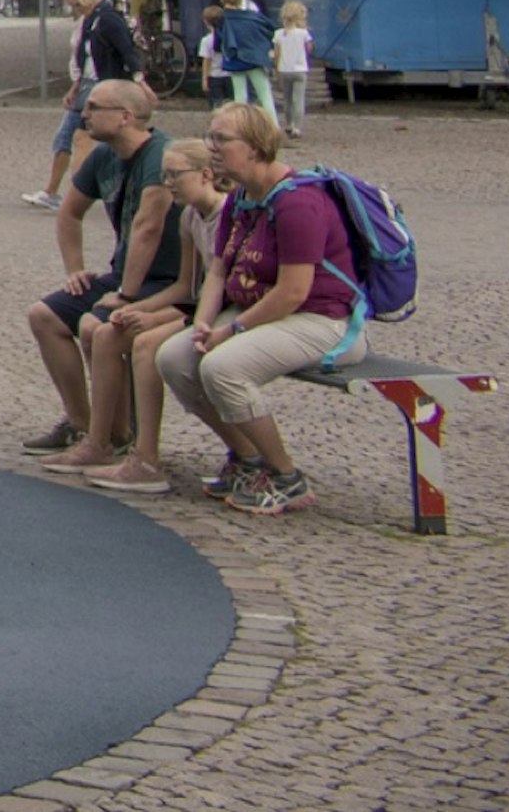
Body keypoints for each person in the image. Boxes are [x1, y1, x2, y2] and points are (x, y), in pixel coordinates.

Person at [153, 102, 352, 515]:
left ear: (257, 147)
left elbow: (293, 292)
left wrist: (231, 332)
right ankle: (247, 457)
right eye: (210, 136)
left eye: (221, 139)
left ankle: (286, 477)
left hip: (321, 319)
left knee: (223, 368)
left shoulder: (298, 203)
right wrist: (204, 324)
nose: (211, 147)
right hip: (260, 310)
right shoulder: (242, 198)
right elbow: (219, 273)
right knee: (175, 356)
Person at [20, 78, 169, 453]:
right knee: (44, 316)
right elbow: (69, 213)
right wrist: (75, 270)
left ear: (125, 117)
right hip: (123, 277)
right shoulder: (103, 157)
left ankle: (115, 435)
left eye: (93, 107)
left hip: (165, 283)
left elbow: (148, 228)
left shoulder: (161, 156)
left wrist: (127, 295)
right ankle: (82, 424)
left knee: (100, 323)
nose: (83, 113)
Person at [66, 141, 222, 495]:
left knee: (146, 345)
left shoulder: (224, 216)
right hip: (194, 307)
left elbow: (213, 295)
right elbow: (185, 287)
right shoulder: (189, 217)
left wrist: (155, 319)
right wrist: (137, 307)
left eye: (175, 175)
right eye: (164, 174)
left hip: (216, 312)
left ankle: (147, 458)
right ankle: (101, 441)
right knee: (107, 332)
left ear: (205, 174)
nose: (168, 182)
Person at [24, 0, 138, 209]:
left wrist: (138, 78)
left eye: (75, 3)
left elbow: (126, 51)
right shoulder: (91, 19)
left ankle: (73, 195)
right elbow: (84, 56)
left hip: (100, 86)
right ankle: (57, 191)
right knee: (70, 138)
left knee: (81, 138)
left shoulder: (107, 19)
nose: (74, 8)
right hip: (87, 84)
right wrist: (75, 85)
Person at [210, 0, 275, 113]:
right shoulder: (253, 17)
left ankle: (241, 126)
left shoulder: (222, 19)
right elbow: (269, 29)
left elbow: (217, 43)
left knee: (240, 96)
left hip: (235, 60)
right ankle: (273, 126)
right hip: (254, 58)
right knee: (264, 93)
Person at [272, 1, 317, 130]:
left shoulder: (278, 33)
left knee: (287, 100)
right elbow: (309, 49)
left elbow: (276, 54)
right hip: (300, 70)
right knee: (299, 100)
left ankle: (289, 123)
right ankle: (297, 127)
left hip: (284, 70)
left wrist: (276, 69)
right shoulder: (304, 33)